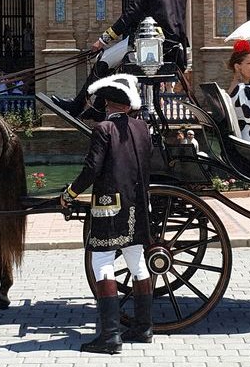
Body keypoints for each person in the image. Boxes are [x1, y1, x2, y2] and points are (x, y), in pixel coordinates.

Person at [59, 74, 157, 354]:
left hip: (109, 207)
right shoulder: (141, 128)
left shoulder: (103, 129)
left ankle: (110, 336)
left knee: (101, 261)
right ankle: (143, 327)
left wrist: (69, 194)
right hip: (137, 206)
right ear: (127, 105)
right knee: (137, 261)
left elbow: (92, 169)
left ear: (108, 104)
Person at [50, 0, 189, 119]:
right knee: (117, 68)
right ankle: (99, 107)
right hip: (175, 51)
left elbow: (130, 15)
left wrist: (103, 40)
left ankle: (77, 105)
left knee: (104, 59)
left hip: (148, 46)